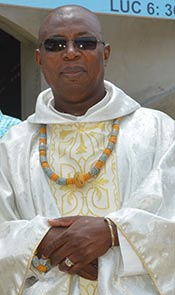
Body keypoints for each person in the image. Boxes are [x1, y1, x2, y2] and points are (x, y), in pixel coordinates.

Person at [0, 4, 175, 295]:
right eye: (56, 44)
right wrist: (45, 241)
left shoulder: (159, 132)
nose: (71, 52)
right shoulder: (12, 147)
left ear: (104, 53)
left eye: (85, 42)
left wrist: (113, 233)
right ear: (39, 58)